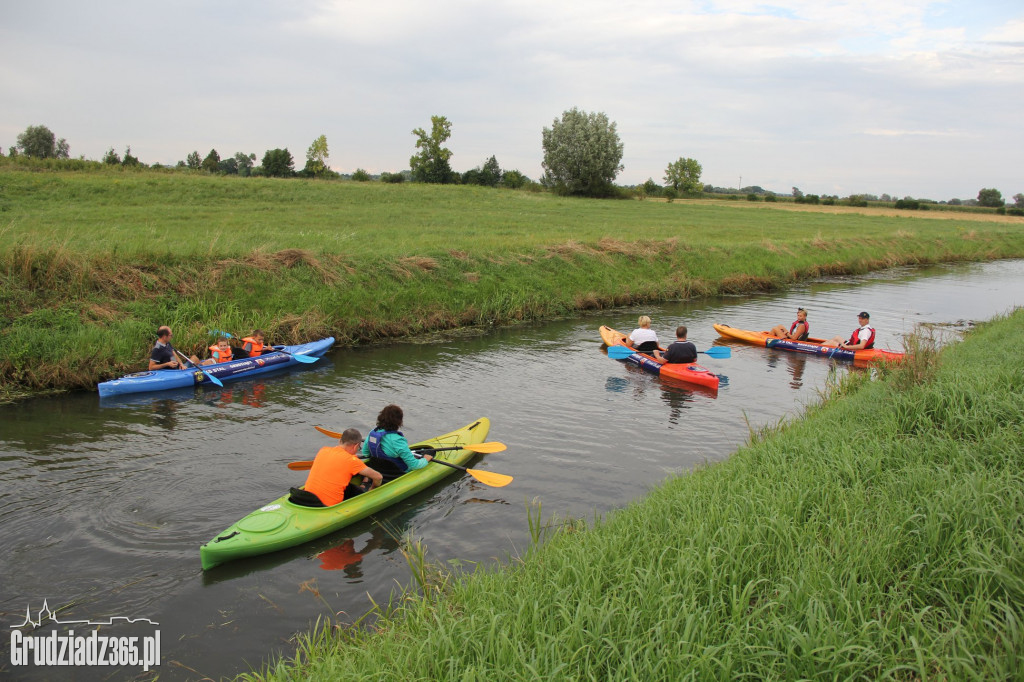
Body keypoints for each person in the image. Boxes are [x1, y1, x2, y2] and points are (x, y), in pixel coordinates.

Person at [302, 428, 383, 507]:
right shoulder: (352, 460)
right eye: (358, 448)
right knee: (361, 488)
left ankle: (364, 483)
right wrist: (372, 488)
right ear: (356, 446)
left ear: (340, 441)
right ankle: (365, 485)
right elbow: (378, 477)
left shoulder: (323, 450)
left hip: (307, 498)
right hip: (329, 506)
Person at [361, 404, 433, 482]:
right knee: (430, 452)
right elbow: (414, 466)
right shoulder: (398, 440)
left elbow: (366, 453)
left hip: (377, 470)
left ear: (381, 418)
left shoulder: (372, 433)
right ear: (399, 421)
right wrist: (426, 459)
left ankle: (367, 479)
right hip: (396, 475)